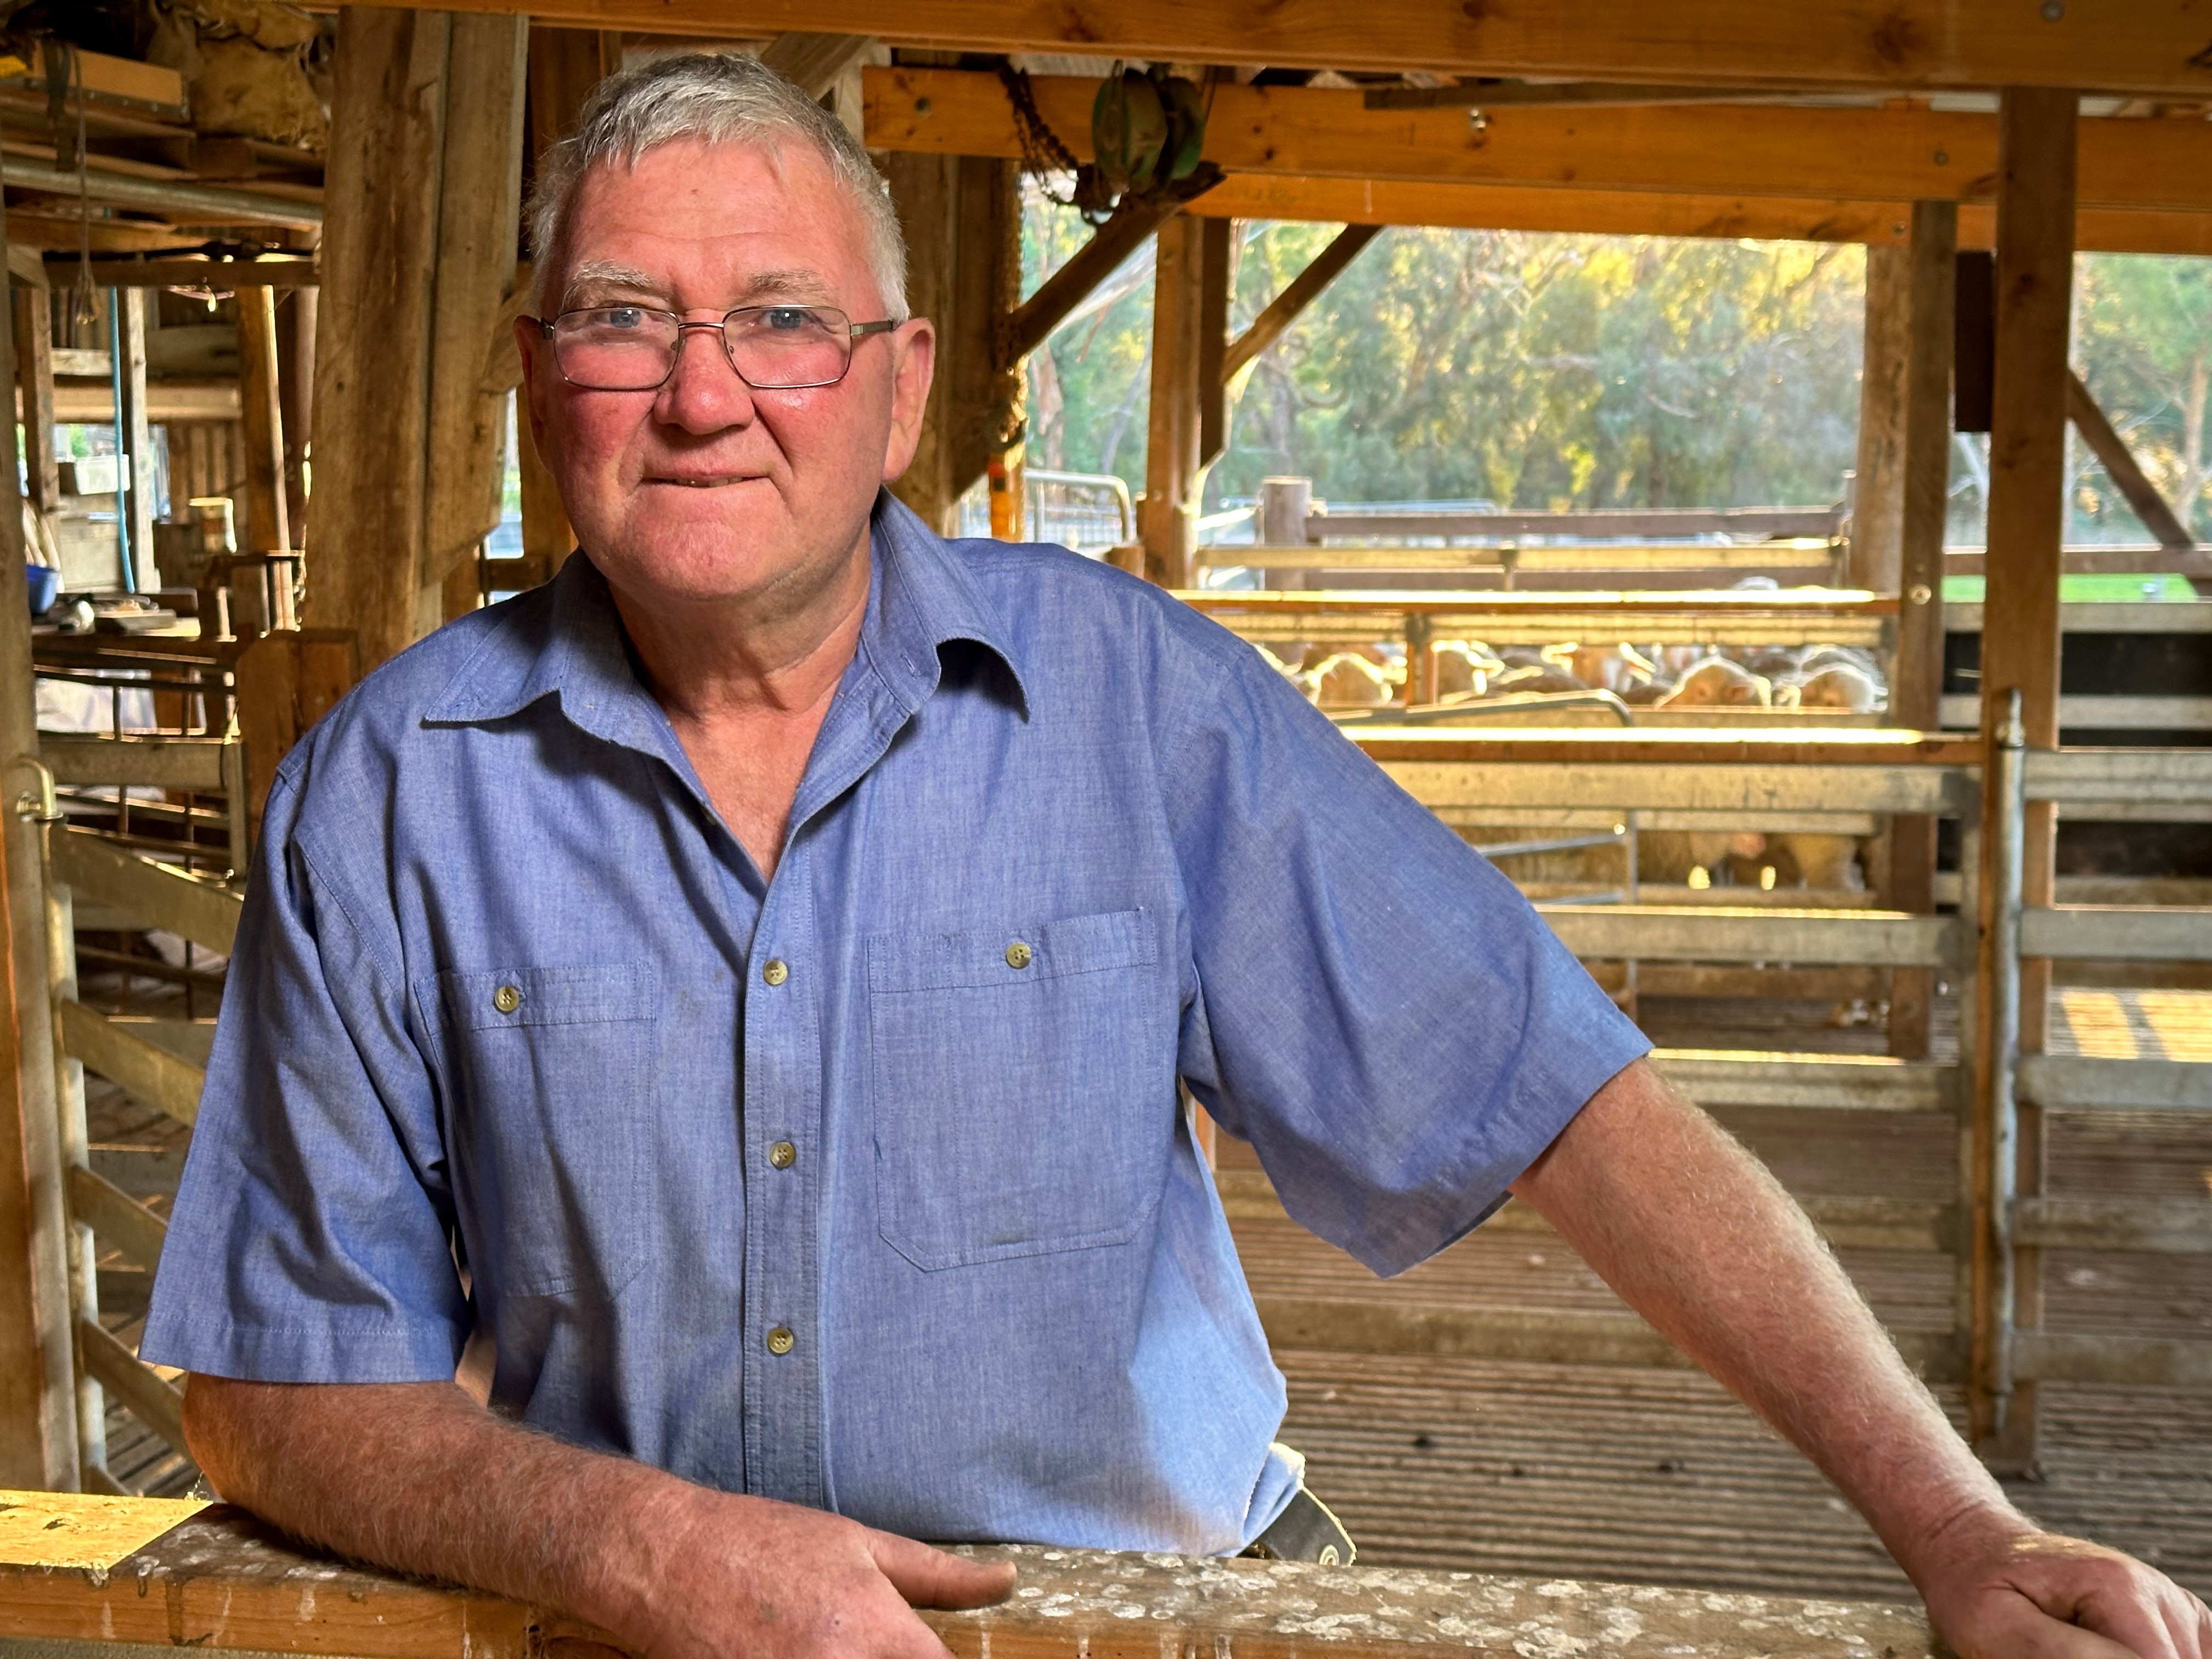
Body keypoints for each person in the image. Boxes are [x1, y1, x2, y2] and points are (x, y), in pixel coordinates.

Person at [144, 52, 2206, 1659]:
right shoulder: (399, 792)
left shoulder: (1138, 714)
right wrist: (636, 1538)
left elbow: (1569, 1107)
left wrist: (1956, 1523)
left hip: (1142, 1621)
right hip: (635, 1623)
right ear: (536, 377)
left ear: (898, 391)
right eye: (625, 318)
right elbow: (266, 1385)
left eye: (782, 321)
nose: (704, 396)